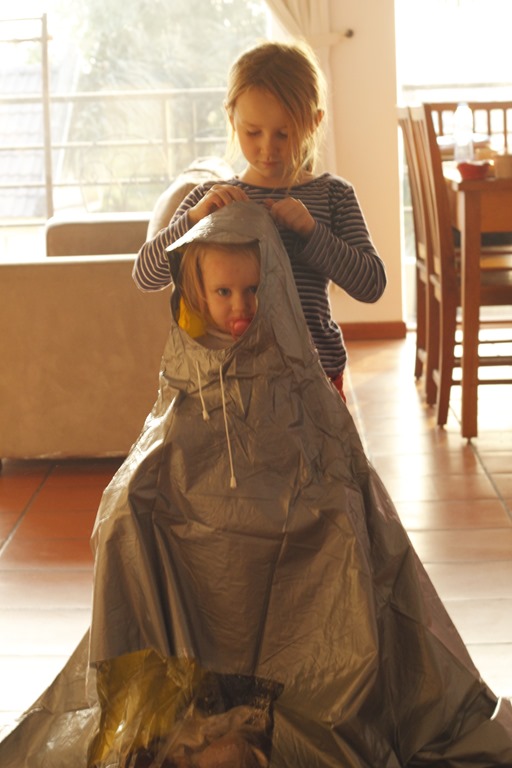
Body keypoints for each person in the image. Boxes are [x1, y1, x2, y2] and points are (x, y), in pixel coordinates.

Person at [1, 202, 512, 768]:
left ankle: (300, 704)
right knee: (124, 514)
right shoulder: (195, 326)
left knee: (339, 524)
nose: (240, 306)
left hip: (294, 449)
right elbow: (148, 277)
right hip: (208, 469)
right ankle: (177, 704)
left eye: (251, 291)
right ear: (198, 294)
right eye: (223, 293)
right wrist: (190, 219)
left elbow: (364, 301)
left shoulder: (319, 220)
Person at [133, 40, 387, 400]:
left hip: (314, 380)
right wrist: (192, 220)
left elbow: (371, 284)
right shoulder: (209, 200)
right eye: (253, 132)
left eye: (284, 133)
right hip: (230, 385)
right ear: (231, 118)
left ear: (314, 122)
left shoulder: (333, 196)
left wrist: (311, 232)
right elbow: (146, 275)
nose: (268, 148)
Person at [177, 239, 260, 349]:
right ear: (200, 291)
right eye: (224, 292)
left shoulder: (276, 339)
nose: (240, 306)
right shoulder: (193, 350)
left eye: (253, 289)